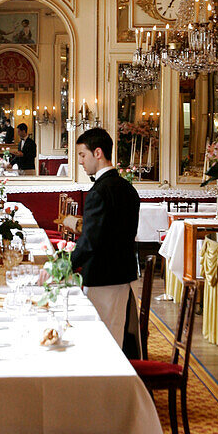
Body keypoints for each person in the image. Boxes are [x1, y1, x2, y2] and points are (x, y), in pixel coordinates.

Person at [70, 127, 140, 350]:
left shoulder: (99, 192)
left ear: (97, 153)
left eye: (82, 155)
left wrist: (64, 267)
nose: (81, 162)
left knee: (101, 344)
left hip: (102, 277)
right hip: (123, 276)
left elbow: (90, 242)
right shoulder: (128, 188)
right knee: (114, 336)